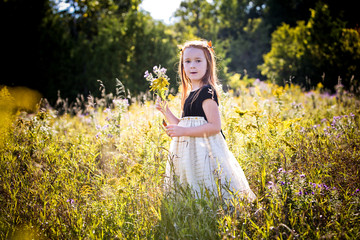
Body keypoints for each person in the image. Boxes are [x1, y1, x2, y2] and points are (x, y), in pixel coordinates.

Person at [156, 40, 256, 201]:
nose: (192, 66)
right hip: (190, 151)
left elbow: (215, 126)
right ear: (182, 66)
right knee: (193, 183)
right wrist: (165, 111)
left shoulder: (206, 91)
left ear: (208, 64)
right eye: (187, 62)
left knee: (208, 182)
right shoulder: (191, 93)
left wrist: (184, 131)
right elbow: (182, 124)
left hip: (205, 150)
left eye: (198, 60)